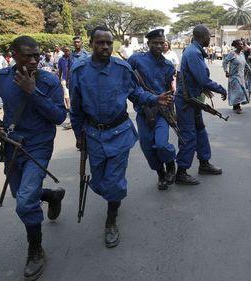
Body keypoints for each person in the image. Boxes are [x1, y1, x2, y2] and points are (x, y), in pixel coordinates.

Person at [69, 26, 173, 248]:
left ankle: (111, 219)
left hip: (119, 133)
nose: (105, 47)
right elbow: (76, 110)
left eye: (108, 43)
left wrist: (155, 99)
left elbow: (136, 93)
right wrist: (79, 135)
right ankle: (113, 199)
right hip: (93, 135)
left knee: (114, 182)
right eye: (100, 43)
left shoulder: (122, 68)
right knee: (98, 182)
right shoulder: (78, 71)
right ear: (91, 44)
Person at [0, 36, 67, 280]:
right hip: (10, 146)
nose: (35, 60)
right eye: (28, 55)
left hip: (38, 146)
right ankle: (51, 195)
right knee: (21, 194)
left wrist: (33, 92)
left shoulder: (49, 81)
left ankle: (35, 250)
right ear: (13, 54)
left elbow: (59, 116)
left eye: (37, 55)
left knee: (25, 201)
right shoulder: (1, 78)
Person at [174, 24, 227, 185]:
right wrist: (221, 89)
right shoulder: (193, 52)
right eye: (208, 37)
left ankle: (204, 163)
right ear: (203, 36)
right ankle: (181, 172)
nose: (209, 40)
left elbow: (195, 78)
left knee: (200, 132)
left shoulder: (194, 51)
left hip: (193, 99)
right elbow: (203, 79)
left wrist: (203, 88)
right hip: (186, 101)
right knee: (188, 135)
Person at [128, 29, 177, 190]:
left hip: (161, 113)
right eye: (154, 43)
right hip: (143, 112)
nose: (158, 46)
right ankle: (160, 173)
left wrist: (171, 107)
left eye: (161, 43)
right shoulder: (135, 60)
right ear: (148, 44)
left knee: (162, 145)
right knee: (147, 147)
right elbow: (129, 86)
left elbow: (170, 88)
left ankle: (170, 163)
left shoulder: (168, 65)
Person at [223, 39, 251, 114]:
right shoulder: (232, 54)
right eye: (240, 44)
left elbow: (245, 64)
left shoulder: (242, 54)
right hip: (234, 76)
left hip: (241, 76)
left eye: (242, 44)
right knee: (238, 92)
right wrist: (226, 71)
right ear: (236, 46)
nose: (242, 45)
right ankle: (237, 107)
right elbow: (225, 62)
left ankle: (235, 105)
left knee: (239, 91)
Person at [58, 47, 72, 130]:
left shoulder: (72, 59)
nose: (67, 52)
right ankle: (69, 111)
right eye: (66, 51)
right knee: (67, 97)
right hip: (64, 80)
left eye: (68, 50)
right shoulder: (61, 60)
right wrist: (58, 79)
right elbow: (60, 70)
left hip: (73, 80)